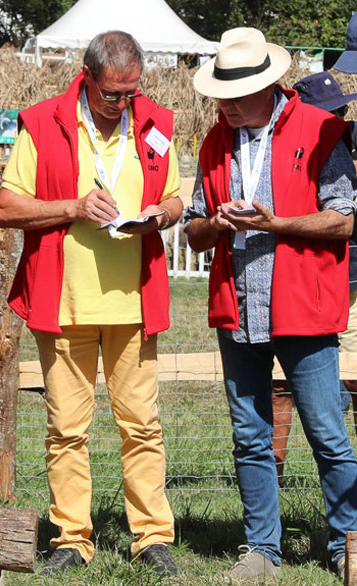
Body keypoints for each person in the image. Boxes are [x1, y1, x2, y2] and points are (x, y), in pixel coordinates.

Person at [0, 31, 183, 576]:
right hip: (65, 302)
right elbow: (6, 207)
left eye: (132, 92)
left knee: (141, 425)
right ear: (87, 77)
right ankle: (72, 538)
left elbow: (174, 196)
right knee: (67, 429)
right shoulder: (43, 122)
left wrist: (160, 218)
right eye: (112, 94)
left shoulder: (156, 125)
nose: (124, 103)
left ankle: (151, 537)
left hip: (134, 305)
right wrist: (74, 206)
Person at [186, 27, 357, 581]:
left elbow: (346, 217)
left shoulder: (322, 129)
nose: (227, 105)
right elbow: (192, 230)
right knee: (249, 435)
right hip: (238, 307)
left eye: (237, 95)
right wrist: (214, 222)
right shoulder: (215, 141)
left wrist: (276, 224)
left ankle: (346, 543)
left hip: (302, 304)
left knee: (327, 433)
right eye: (221, 96)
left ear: (269, 85)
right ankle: (262, 549)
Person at [271, 71, 357, 483]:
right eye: (327, 113)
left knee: (353, 382)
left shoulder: (342, 146)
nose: (336, 118)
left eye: (340, 110)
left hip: (348, 281)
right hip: (307, 284)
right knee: (281, 386)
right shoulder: (297, 148)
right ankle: (277, 470)